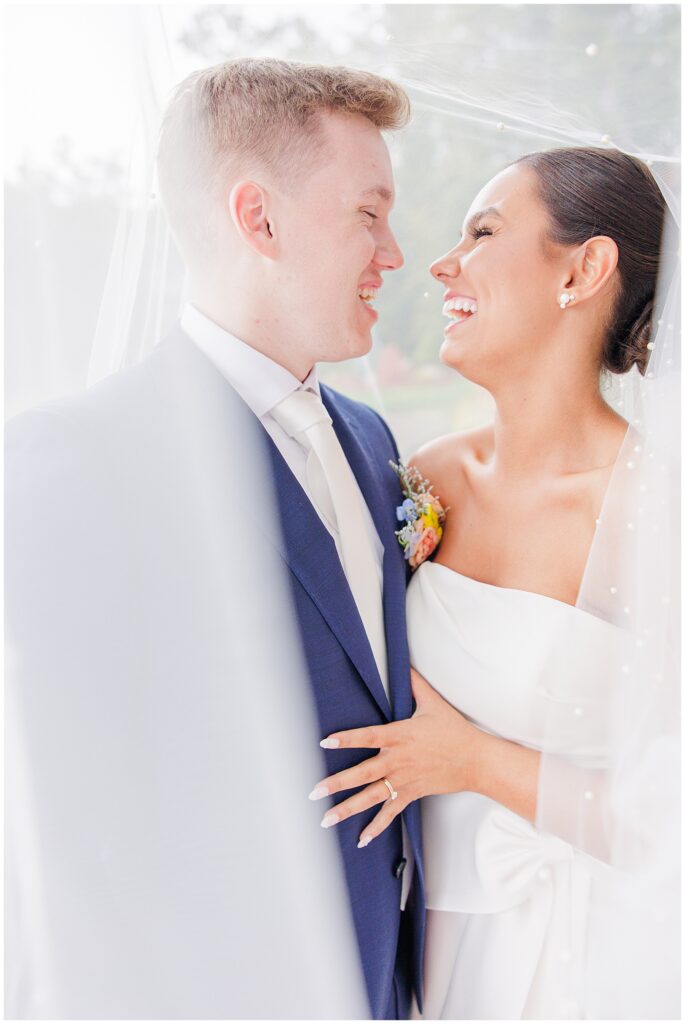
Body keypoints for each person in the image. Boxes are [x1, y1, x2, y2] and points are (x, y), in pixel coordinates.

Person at [5, 59, 424, 1019]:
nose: (393, 251)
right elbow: (65, 830)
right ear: (257, 218)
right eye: (368, 213)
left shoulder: (373, 441)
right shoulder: (72, 460)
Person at [310, 147, 675, 1018]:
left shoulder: (659, 509)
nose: (442, 263)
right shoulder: (423, 481)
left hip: (584, 962)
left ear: (584, 269)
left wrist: (471, 761)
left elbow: (670, 827)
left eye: (481, 232)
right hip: (426, 949)